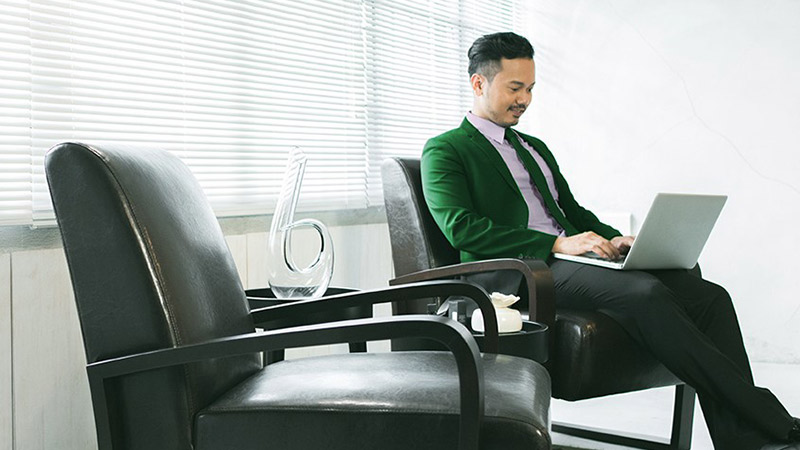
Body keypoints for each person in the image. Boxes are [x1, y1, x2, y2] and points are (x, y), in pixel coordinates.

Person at [421, 31, 800, 450]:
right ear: (479, 83)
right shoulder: (446, 150)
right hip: (520, 272)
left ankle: (744, 439)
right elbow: (461, 227)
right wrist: (555, 246)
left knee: (708, 295)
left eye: (530, 88)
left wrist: (614, 240)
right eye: (515, 87)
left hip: (568, 262)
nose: (525, 99)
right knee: (645, 291)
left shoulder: (533, 148)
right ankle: (770, 418)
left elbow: (572, 213)